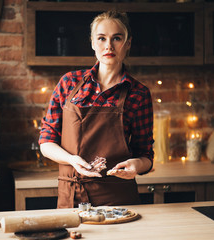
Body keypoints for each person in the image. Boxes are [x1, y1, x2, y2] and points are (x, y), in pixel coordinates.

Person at [39, 10, 154, 209]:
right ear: (92, 43)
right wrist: (71, 160)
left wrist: (136, 166)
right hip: (71, 198)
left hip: (118, 201)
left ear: (127, 44)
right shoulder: (69, 83)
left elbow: (146, 156)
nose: (109, 45)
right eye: (102, 38)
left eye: (117, 38)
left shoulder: (138, 94)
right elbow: (46, 141)